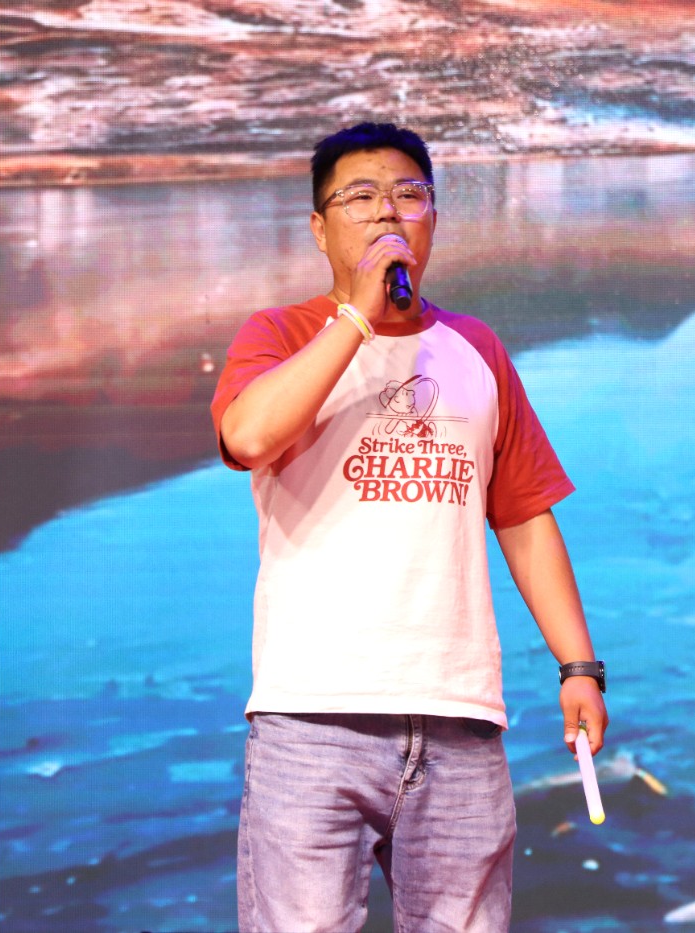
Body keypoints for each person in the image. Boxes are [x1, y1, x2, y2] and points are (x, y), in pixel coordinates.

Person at [210, 121, 608, 932]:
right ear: (320, 227)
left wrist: (579, 666)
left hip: (458, 718)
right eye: (360, 198)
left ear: (434, 216)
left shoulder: (475, 348)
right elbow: (248, 435)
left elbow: (525, 515)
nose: (388, 212)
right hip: (313, 715)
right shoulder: (280, 335)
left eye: (409, 194)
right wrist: (356, 319)